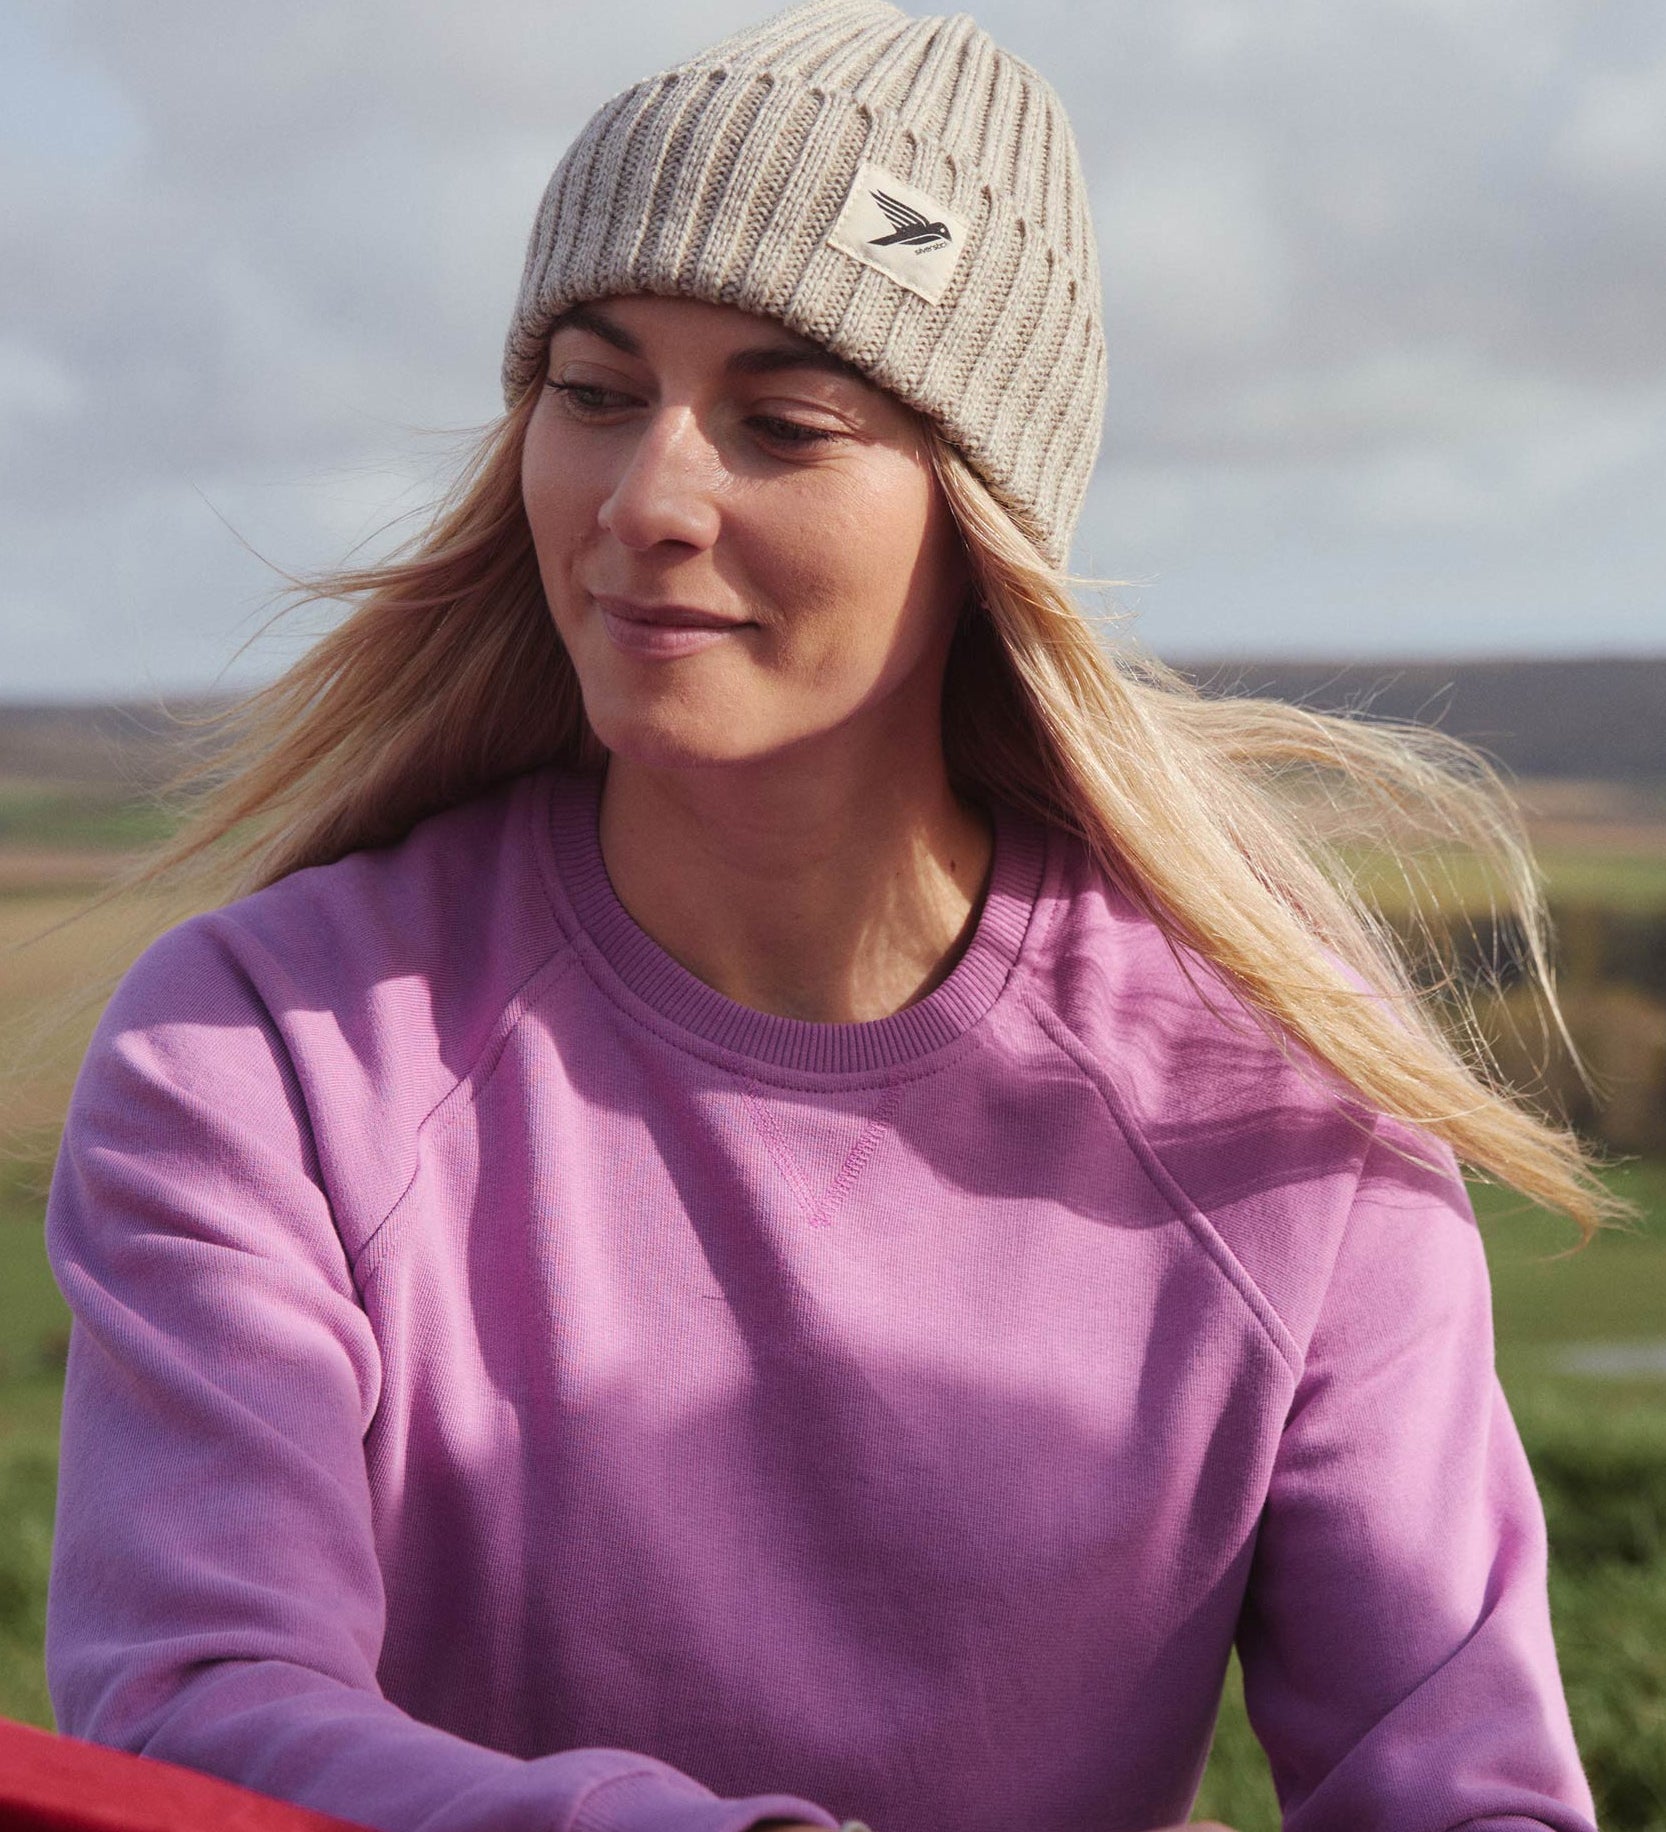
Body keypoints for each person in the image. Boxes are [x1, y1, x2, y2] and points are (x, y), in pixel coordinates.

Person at [44, 2, 1607, 1829]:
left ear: (978, 518)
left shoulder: (1287, 1113)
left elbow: (1463, 1784)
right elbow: (187, 1705)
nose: (646, 502)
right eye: (594, 389)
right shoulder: (263, 1052)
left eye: (782, 422)